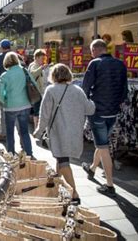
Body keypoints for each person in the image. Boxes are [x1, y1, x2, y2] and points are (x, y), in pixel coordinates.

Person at [33, 63, 95, 203]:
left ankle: (74, 194)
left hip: (59, 133)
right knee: (61, 159)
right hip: (75, 133)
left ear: (53, 75)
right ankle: (57, 185)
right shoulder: (78, 90)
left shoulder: (51, 90)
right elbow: (90, 110)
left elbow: (45, 115)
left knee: (63, 161)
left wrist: (38, 132)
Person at [81, 39, 128, 197]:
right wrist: (115, 104)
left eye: (91, 51)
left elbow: (85, 88)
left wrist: (85, 105)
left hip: (98, 111)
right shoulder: (120, 64)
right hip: (112, 112)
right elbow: (124, 91)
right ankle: (92, 168)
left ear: (95, 50)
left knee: (103, 147)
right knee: (102, 144)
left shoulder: (95, 64)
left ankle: (109, 185)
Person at [0, 52, 36, 159]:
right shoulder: (24, 71)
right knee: (24, 131)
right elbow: (34, 84)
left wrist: (3, 101)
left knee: (10, 132)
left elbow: (0, 93)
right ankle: (29, 153)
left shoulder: (4, 75)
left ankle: (11, 153)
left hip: (10, 106)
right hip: (25, 105)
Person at [28, 49, 47, 130]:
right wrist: (41, 68)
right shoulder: (33, 65)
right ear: (37, 57)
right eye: (42, 58)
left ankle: (37, 127)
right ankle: (37, 128)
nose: (43, 60)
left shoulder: (37, 65)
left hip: (38, 92)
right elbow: (32, 74)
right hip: (36, 92)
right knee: (37, 111)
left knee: (37, 110)